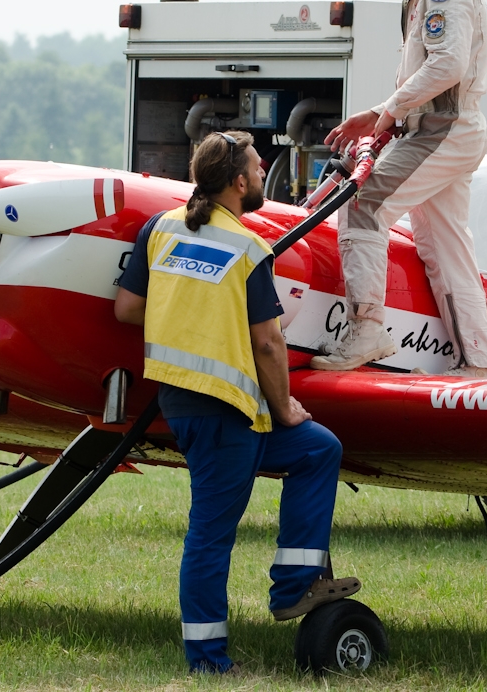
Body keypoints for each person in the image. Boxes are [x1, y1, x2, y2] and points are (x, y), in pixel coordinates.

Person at [114, 131, 358, 674]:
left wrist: (185, 310)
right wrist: (287, 406)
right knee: (211, 535)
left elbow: (127, 308)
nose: (265, 171)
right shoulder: (248, 248)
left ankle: (295, 586)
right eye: (259, 166)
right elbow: (268, 343)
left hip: (192, 406)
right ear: (240, 183)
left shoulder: (160, 229)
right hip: (225, 413)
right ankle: (207, 659)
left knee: (317, 450)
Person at [311, 0, 487, 377]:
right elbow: (434, 72)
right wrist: (385, 115)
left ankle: (366, 328)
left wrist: (384, 112)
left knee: (362, 204)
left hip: (443, 127)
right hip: (446, 127)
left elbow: (447, 65)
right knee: (445, 248)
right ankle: (476, 362)